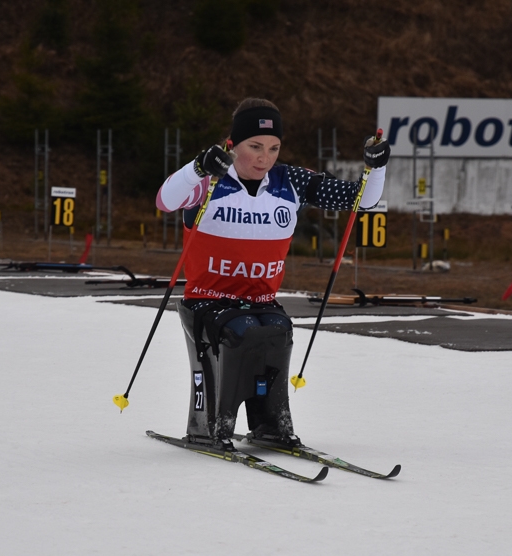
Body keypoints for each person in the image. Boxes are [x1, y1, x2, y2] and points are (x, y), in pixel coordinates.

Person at [156, 97, 390, 450]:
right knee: (240, 333)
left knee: (278, 331)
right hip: (210, 302)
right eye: (255, 147)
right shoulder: (212, 179)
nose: (264, 158)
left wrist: (377, 167)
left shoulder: (288, 181)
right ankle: (214, 425)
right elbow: (165, 200)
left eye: (273, 148)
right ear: (233, 144)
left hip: (262, 302)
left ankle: (271, 424)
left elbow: (361, 200)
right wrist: (198, 167)